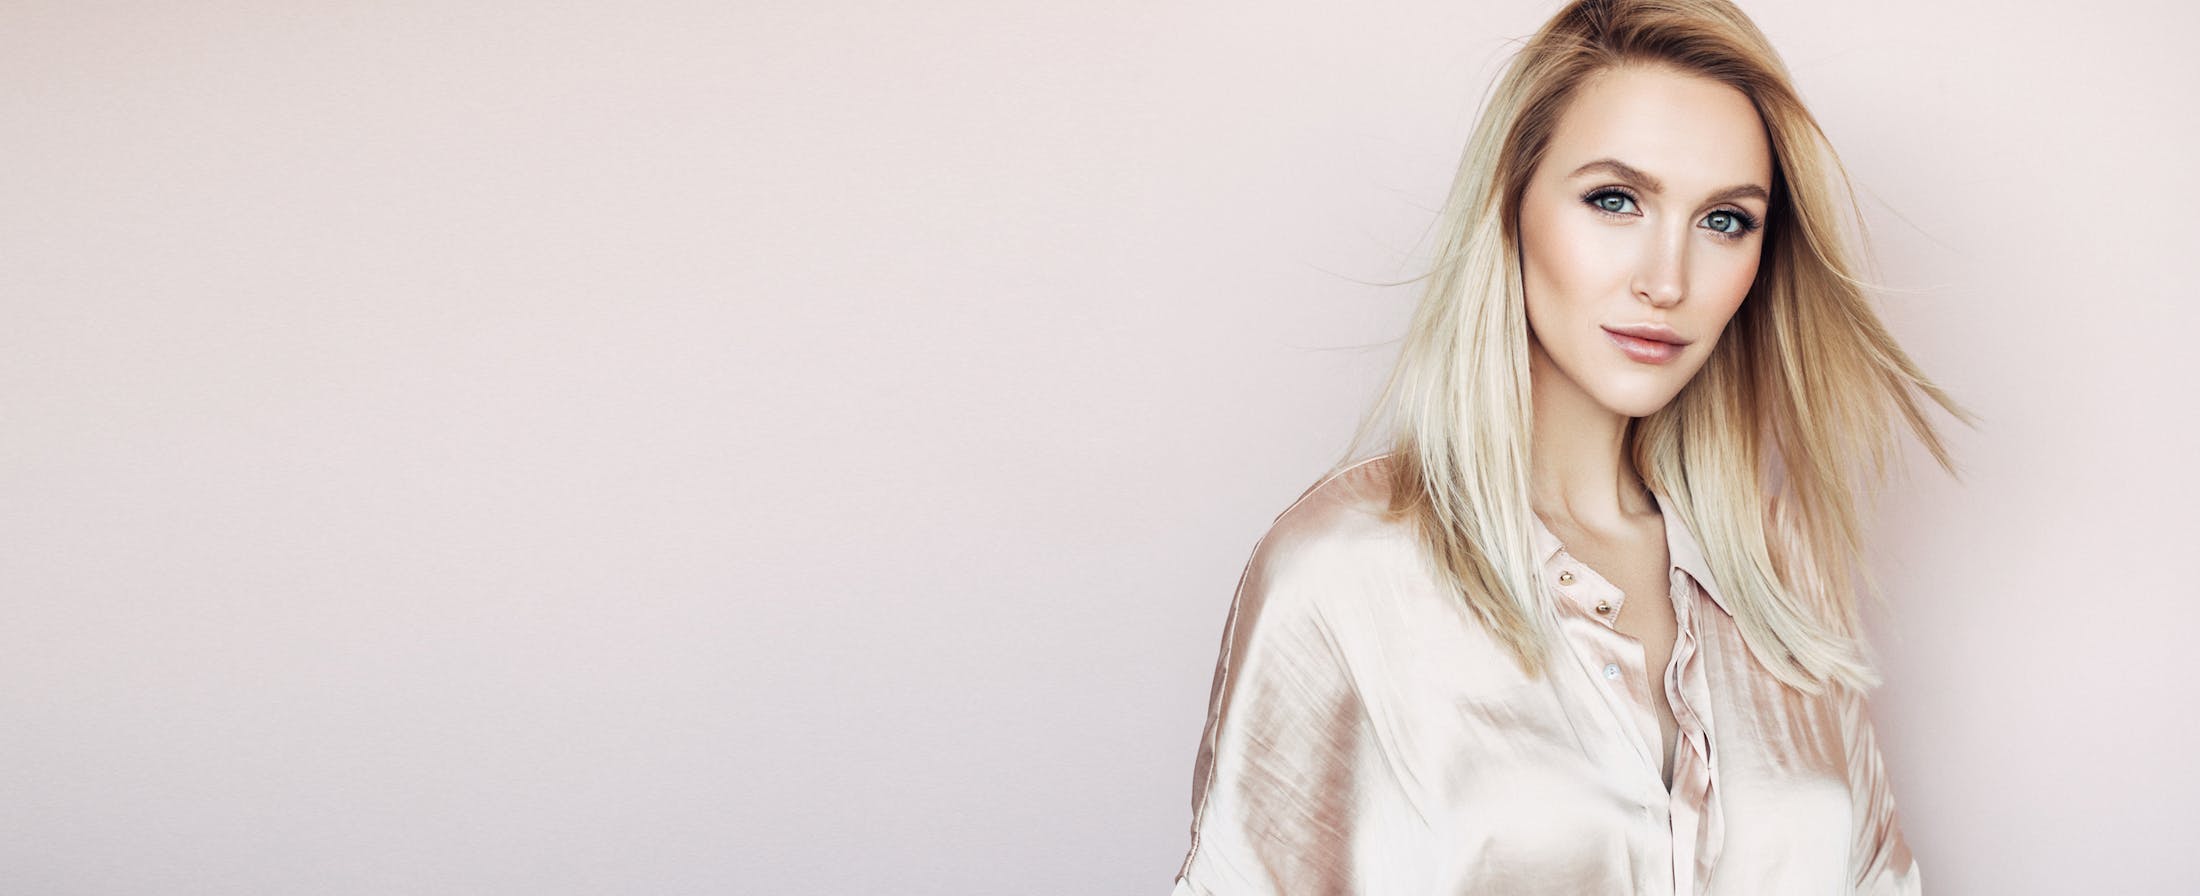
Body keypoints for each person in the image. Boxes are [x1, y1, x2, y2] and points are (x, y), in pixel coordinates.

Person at [1169, 0, 1975, 893]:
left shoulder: (1778, 567)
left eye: (1725, 221)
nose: (1667, 281)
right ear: (1510, 207)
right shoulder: (1343, 572)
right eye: (1615, 200)